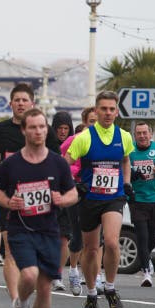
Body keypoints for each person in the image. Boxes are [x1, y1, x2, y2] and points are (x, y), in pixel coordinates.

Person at [0, 108, 78, 308]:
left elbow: (73, 193)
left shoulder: (57, 162)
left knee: (44, 287)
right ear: (24, 130)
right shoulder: (12, 164)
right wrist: (9, 202)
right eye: (33, 127)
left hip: (49, 230)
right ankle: (20, 304)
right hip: (21, 228)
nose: (38, 131)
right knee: (29, 275)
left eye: (42, 127)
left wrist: (62, 199)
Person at [0, 84, 62, 302]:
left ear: (32, 104)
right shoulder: (0, 129)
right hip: (12, 198)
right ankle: (15, 301)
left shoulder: (42, 128)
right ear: (10, 104)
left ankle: (28, 286)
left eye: (24, 100)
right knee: (10, 251)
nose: (20, 103)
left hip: (39, 200)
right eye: (16, 100)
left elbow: (56, 158)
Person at [65, 91, 134, 308]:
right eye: (103, 109)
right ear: (96, 110)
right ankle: (92, 293)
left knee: (113, 243)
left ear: (116, 111)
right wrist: (74, 185)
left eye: (111, 109)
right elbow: (65, 163)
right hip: (90, 199)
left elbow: (125, 159)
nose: (107, 113)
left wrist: (126, 182)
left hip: (113, 197)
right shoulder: (84, 137)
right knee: (91, 249)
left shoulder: (123, 136)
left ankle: (111, 287)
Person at [61, 107, 97, 296]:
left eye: (97, 121)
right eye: (91, 121)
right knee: (77, 236)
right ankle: (74, 270)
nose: (95, 125)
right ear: (84, 122)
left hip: (98, 193)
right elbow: (64, 164)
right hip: (76, 191)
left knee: (95, 240)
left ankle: (95, 275)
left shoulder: (104, 142)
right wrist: (79, 176)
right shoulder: (74, 140)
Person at [128, 121, 155, 287]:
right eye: (139, 133)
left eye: (145, 133)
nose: (142, 136)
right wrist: (136, 173)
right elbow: (125, 172)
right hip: (137, 199)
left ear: (150, 134)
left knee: (153, 238)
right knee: (142, 236)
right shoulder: (130, 152)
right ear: (135, 136)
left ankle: (146, 258)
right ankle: (146, 273)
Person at [49, 111, 75, 291]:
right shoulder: (46, 146)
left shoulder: (75, 146)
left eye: (66, 128)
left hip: (66, 198)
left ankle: (57, 275)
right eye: (59, 128)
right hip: (48, 198)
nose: (63, 132)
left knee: (64, 238)